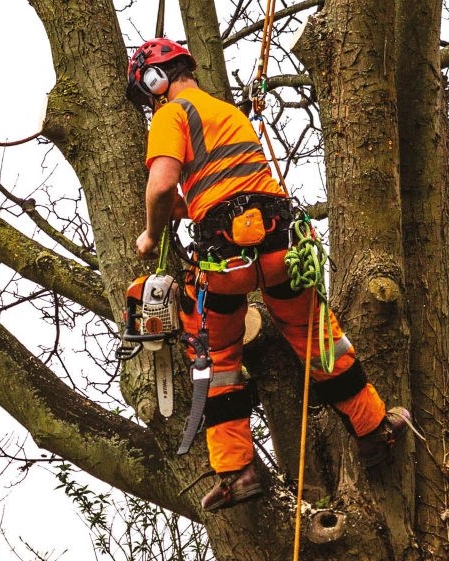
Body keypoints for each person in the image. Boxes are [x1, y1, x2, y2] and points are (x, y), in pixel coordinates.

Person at [126, 38, 410, 512]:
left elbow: (160, 188)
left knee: (218, 361)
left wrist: (151, 234)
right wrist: (181, 204)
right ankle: (372, 429)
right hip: (280, 245)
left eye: (149, 90)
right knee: (318, 336)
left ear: (156, 80)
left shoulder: (171, 115)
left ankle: (237, 472)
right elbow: (213, 185)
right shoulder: (228, 114)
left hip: (225, 261)